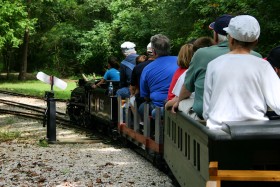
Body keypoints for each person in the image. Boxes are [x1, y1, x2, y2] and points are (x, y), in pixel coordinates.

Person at [171, 14, 262, 120]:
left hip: (210, 116)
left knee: (183, 102)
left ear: (216, 35)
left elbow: (187, 89)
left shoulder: (201, 54)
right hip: (245, 115)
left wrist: (178, 101)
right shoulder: (257, 57)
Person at [203, 15, 280, 129]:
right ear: (255, 41)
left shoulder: (214, 64)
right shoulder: (263, 66)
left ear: (231, 39)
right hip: (254, 132)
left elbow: (207, 109)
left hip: (219, 131)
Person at [165, 37, 215, 110]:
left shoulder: (186, 73)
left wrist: (167, 105)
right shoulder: (219, 68)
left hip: (197, 112)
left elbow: (180, 96)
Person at [139, 34, 178, 119]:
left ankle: (150, 130)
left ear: (153, 51)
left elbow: (145, 96)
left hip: (159, 107)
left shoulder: (147, 69)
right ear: (169, 48)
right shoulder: (180, 61)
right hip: (179, 105)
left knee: (142, 107)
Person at [130, 42, 155, 107]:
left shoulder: (138, 67)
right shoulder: (165, 65)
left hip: (145, 99)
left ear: (147, 52)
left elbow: (133, 87)